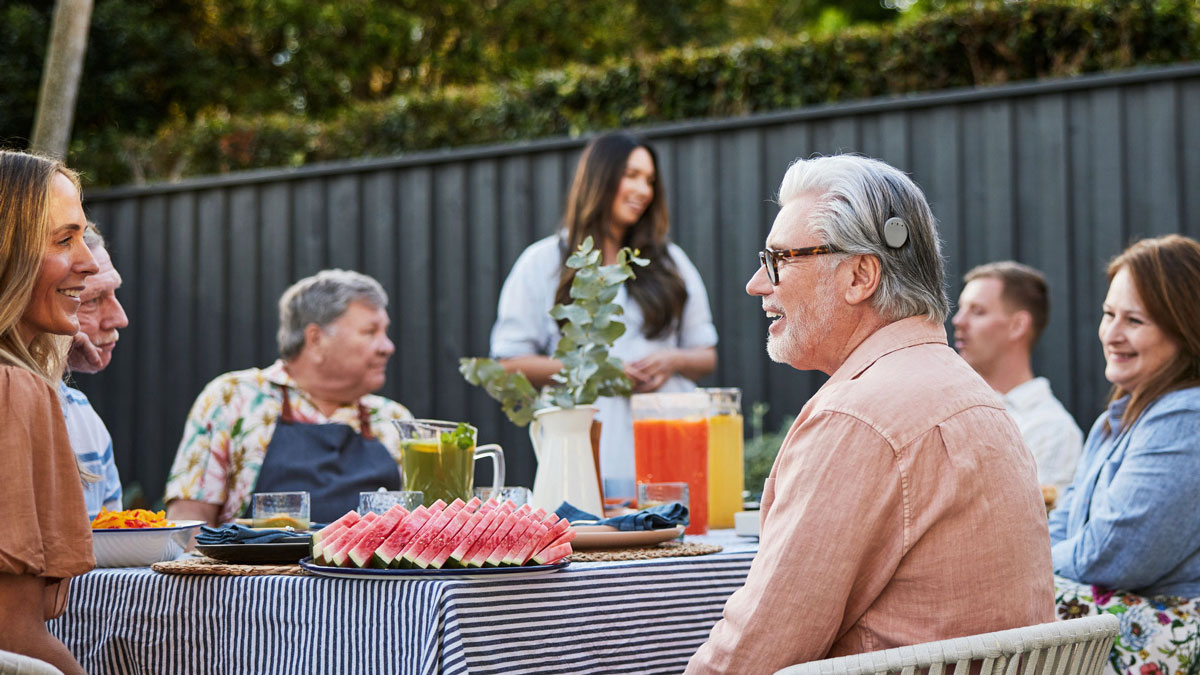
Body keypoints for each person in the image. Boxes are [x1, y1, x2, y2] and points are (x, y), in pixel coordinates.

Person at [687, 155, 1053, 674]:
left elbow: (755, 651)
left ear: (860, 275)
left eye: (779, 260)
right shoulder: (981, 401)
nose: (756, 283)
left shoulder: (858, 418)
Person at [489, 132, 718, 496]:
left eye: (650, 180)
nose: (643, 190)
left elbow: (706, 355)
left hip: (670, 444)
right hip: (585, 448)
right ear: (599, 177)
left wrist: (671, 360)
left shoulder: (670, 262)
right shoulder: (543, 263)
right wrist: (596, 372)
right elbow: (507, 363)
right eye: (632, 175)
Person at [164, 269, 414, 525]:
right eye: (370, 332)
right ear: (316, 339)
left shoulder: (394, 418)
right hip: (253, 567)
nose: (388, 347)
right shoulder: (233, 399)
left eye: (385, 332)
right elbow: (188, 522)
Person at [1049, 235, 1200, 597]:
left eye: (1134, 320)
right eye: (1109, 314)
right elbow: (1062, 523)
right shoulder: (1114, 421)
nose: (1112, 335)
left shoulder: (1185, 419)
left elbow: (1110, 557)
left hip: (1160, 648)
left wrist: (1024, 563)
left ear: (1184, 328)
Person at [0, 149, 98, 674]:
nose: (88, 261)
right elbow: (12, 637)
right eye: (64, 240)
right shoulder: (11, 387)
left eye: (83, 235)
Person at [951, 261, 1083, 499]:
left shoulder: (1052, 431)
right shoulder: (953, 409)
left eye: (977, 311)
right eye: (961, 308)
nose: (958, 320)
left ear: (1017, 326)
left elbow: (1039, 529)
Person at [60, 223, 128, 518]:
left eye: (114, 294)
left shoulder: (83, 416)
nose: (120, 318)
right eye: (92, 300)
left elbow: (114, 550)